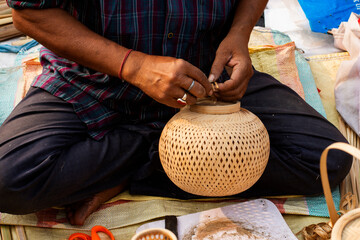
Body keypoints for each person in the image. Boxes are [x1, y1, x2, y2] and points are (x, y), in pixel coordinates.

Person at [0, 0, 352, 226]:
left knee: (326, 160)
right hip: (94, 77)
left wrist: (239, 34)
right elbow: (29, 11)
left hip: (205, 76)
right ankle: (158, 155)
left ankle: (136, 164)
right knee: (9, 181)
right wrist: (133, 66)